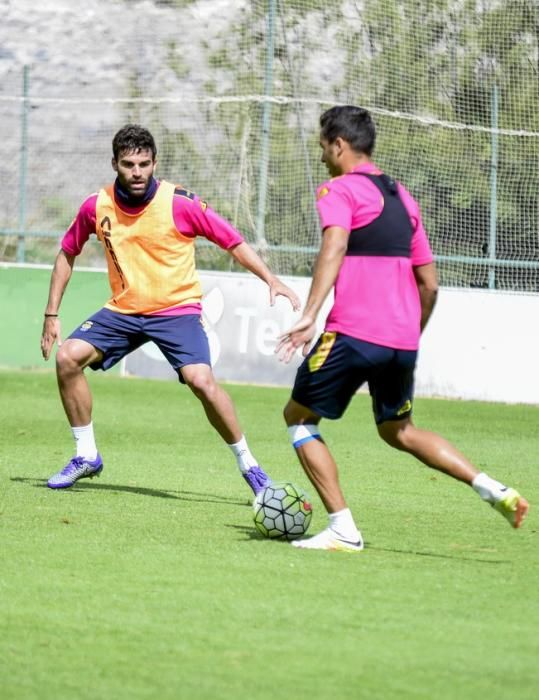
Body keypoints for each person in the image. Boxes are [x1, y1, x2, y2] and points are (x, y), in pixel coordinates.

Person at [276, 105, 529, 552]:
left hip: (351, 332)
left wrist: (310, 313)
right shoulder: (402, 197)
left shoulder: (339, 189)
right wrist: (409, 333)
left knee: (298, 418)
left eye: (323, 148)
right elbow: (429, 283)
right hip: (401, 339)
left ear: (339, 145)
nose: (322, 159)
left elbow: (334, 244)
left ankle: (342, 529)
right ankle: (490, 487)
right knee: (400, 430)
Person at [41, 123, 300, 493]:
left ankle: (250, 466)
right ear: (114, 163)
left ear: (154, 162)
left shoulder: (179, 203)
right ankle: (86, 455)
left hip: (176, 311)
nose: (137, 172)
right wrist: (51, 313)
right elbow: (67, 252)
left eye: (144, 164)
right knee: (67, 357)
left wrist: (271, 279)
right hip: (124, 311)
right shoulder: (95, 206)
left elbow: (232, 241)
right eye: (129, 164)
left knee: (202, 382)